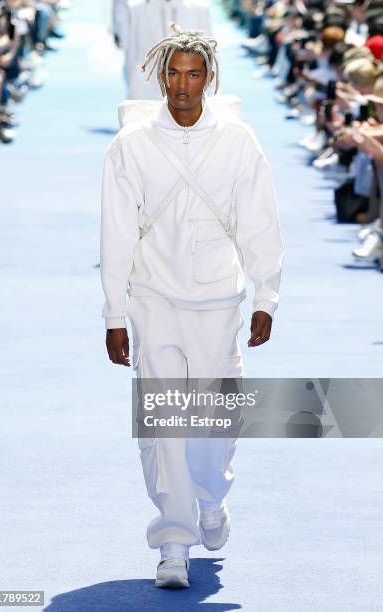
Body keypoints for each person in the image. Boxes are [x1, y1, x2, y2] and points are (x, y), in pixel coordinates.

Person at [100, 26, 284, 588]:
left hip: (218, 299)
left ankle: (211, 496)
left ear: (210, 78)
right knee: (162, 424)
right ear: (161, 76)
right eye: (174, 73)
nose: (182, 85)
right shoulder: (130, 145)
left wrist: (266, 296)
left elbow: (259, 221)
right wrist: (114, 313)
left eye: (194, 73)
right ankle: (173, 541)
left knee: (213, 418)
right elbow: (115, 233)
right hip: (153, 298)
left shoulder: (238, 141)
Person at [117, 0, 212, 99]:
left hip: (189, 98)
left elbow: (210, 58)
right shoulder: (134, 8)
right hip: (145, 94)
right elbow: (130, 57)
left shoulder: (199, 8)